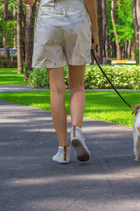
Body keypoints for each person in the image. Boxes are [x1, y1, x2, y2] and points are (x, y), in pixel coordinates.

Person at [23, 0, 99, 164]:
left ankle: (63, 150)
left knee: (56, 90)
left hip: (48, 23)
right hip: (77, 20)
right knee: (77, 86)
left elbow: (28, 1)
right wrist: (95, 30)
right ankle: (76, 131)